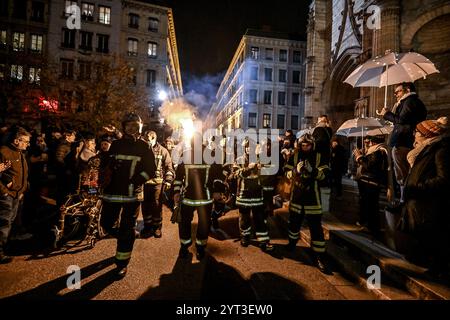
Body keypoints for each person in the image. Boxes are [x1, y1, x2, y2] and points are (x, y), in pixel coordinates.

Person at [99, 113, 156, 278]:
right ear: (124, 127)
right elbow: (106, 164)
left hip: (132, 195)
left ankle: (121, 263)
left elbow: (150, 170)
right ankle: (128, 236)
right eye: (129, 125)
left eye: (135, 126)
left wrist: (136, 181)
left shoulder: (144, 147)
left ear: (139, 128)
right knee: (106, 224)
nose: (132, 128)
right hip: (112, 193)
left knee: (126, 228)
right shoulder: (115, 144)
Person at [402, 117, 450, 279]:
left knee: (434, 241)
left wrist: (418, 187)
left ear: (426, 135)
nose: (414, 134)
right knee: (422, 240)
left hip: (428, 203)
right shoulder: (425, 148)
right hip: (418, 201)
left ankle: (438, 271)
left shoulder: (440, 150)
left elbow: (444, 178)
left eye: (417, 132)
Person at [284, 133, 330, 273]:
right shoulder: (295, 156)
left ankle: (319, 256)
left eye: (308, 145)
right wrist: (294, 171)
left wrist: (313, 170)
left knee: (316, 229)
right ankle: (292, 244)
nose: (305, 147)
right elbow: (286, 172)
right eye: (303, 145)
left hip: (312, 198)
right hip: (297, 196)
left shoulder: (319, 157)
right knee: (293, 224)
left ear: (312, 144)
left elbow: (325, 175)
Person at [173, 138, 225, 260]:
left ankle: (200, 247)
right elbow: (179, 176)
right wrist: (176, 191)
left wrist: (217, 190)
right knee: (185, 223)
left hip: (204, 198)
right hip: (188, 197)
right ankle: (185, 246)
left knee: (203, 224)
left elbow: (218, 175)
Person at [377, 82, 427, 203]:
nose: (395, 94)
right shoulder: (411, 102)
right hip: (406, 140)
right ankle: (403, 198)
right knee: (402, 173)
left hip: (403, 141)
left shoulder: (409, 101)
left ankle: (403, 200)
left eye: (398, 91)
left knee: (402, 174)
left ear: (407, 90)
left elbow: (402, 120)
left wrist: (387, 115)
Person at [234, 138, 274, 252]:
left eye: (250, 147)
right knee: (244, 219)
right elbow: (236, 174)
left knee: (260, 219)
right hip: (243, 195)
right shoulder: (239, 159)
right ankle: (245, 237)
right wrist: (248, 169)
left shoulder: (261, 160)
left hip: (257, 195)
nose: (248, 149)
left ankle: (263, 240)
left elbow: (267, 176)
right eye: (246, 147)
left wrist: (260, 170)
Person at [0, 127, 31, 263]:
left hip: (17, 194)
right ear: (16, 140)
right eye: (25, 141)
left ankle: (5, 247)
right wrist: (4, 192)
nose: (27, 144)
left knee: (10, 222)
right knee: (3, 223)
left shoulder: (20, 153)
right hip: (6, 195)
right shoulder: (4, 152)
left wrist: (22, 190)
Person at [353, 135, 390, 238]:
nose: (367, 143)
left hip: (371, 182)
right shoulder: (375, 150)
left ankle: (372, 228)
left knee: (371, 206)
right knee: (367, 204)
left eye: (368, 141)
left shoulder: (378, 151)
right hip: (367, 181)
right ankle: (367, 224)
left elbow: (369, 166)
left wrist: (359, 157)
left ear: (373, 142)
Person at [140, 130, 175, 239]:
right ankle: (147, 226)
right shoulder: (142, 150)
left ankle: (157, 227)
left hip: (157, 183)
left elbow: (169, 167)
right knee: (145, 205)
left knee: (156, 205)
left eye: (150, 139)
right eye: (146, 139)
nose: (148, 142)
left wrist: (169, 180)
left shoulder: (163, 151)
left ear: (154, 138)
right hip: (144, 182)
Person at [312, 115, 333, 212]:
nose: (317, 122)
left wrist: (311, 144)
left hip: (318, 162)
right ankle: (323, 207)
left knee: (317, 185)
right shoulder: (328, 131)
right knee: (323, 184)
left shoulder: (319, 129)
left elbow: (318, 144)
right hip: (325, 162)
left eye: (318, 121)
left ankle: (317, 207)